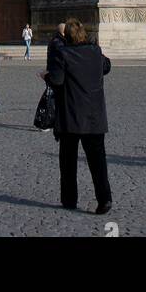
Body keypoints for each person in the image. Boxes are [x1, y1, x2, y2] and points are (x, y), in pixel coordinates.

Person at [43, 16, 112, 213]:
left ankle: (69, 200)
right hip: (94, 117)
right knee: (98, 161)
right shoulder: (95, 53)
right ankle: (105, 199)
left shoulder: (64, 55)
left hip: (71, 116)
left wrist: (45, 75)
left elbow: (56, 80)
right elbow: (107, 67)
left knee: (68, 161)